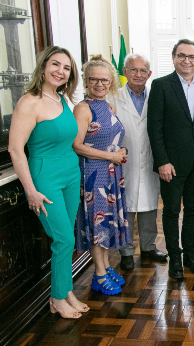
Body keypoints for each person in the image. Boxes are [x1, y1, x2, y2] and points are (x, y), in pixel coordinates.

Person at [8, 46, 88, 319]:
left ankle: (66, 291)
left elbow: (70, 136)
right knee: (63, 239)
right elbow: (16, 150)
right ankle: (56, 298)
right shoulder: (28, 102)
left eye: (66, 68)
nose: (60, 71)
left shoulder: (63, 99)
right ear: (43, 66)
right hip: (46, 177)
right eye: (55, 64)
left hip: (70, 173)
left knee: (67, 238)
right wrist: (31, 190)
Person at [148, 39, 194, 279]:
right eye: (182, 55)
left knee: (193, 211)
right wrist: (162, 161)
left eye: (192, 56)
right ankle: (174, 259)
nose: (187, 60)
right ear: (174, 57)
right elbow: (154, 128)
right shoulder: (161, 85)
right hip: (171, 165)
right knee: (171, 212)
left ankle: (189, 256)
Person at [73, 55, 130, 296]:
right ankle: (98, 274)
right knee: (97, 224)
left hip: (112, 174)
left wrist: (120, 150)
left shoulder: (109, 106)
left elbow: (112, 138)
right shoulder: (82, 108)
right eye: (94, 79)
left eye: (104, 80)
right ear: (86, 82)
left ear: (111, 82)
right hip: (93, 175)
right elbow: (76, 146)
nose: (99, 84)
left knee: (106, 222)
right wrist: (110, 157)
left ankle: (106, 267)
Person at [111, 54, 167, 270]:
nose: (138, 74)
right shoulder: (113, 97)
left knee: (149, 206)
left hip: (150, 158)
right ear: (125, 72)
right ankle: (125, 251)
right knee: (124, 207)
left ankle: (149, 247)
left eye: (143, 70)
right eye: (133, 70)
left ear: (149, 74)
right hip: (122, 160)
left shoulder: (156, 96)